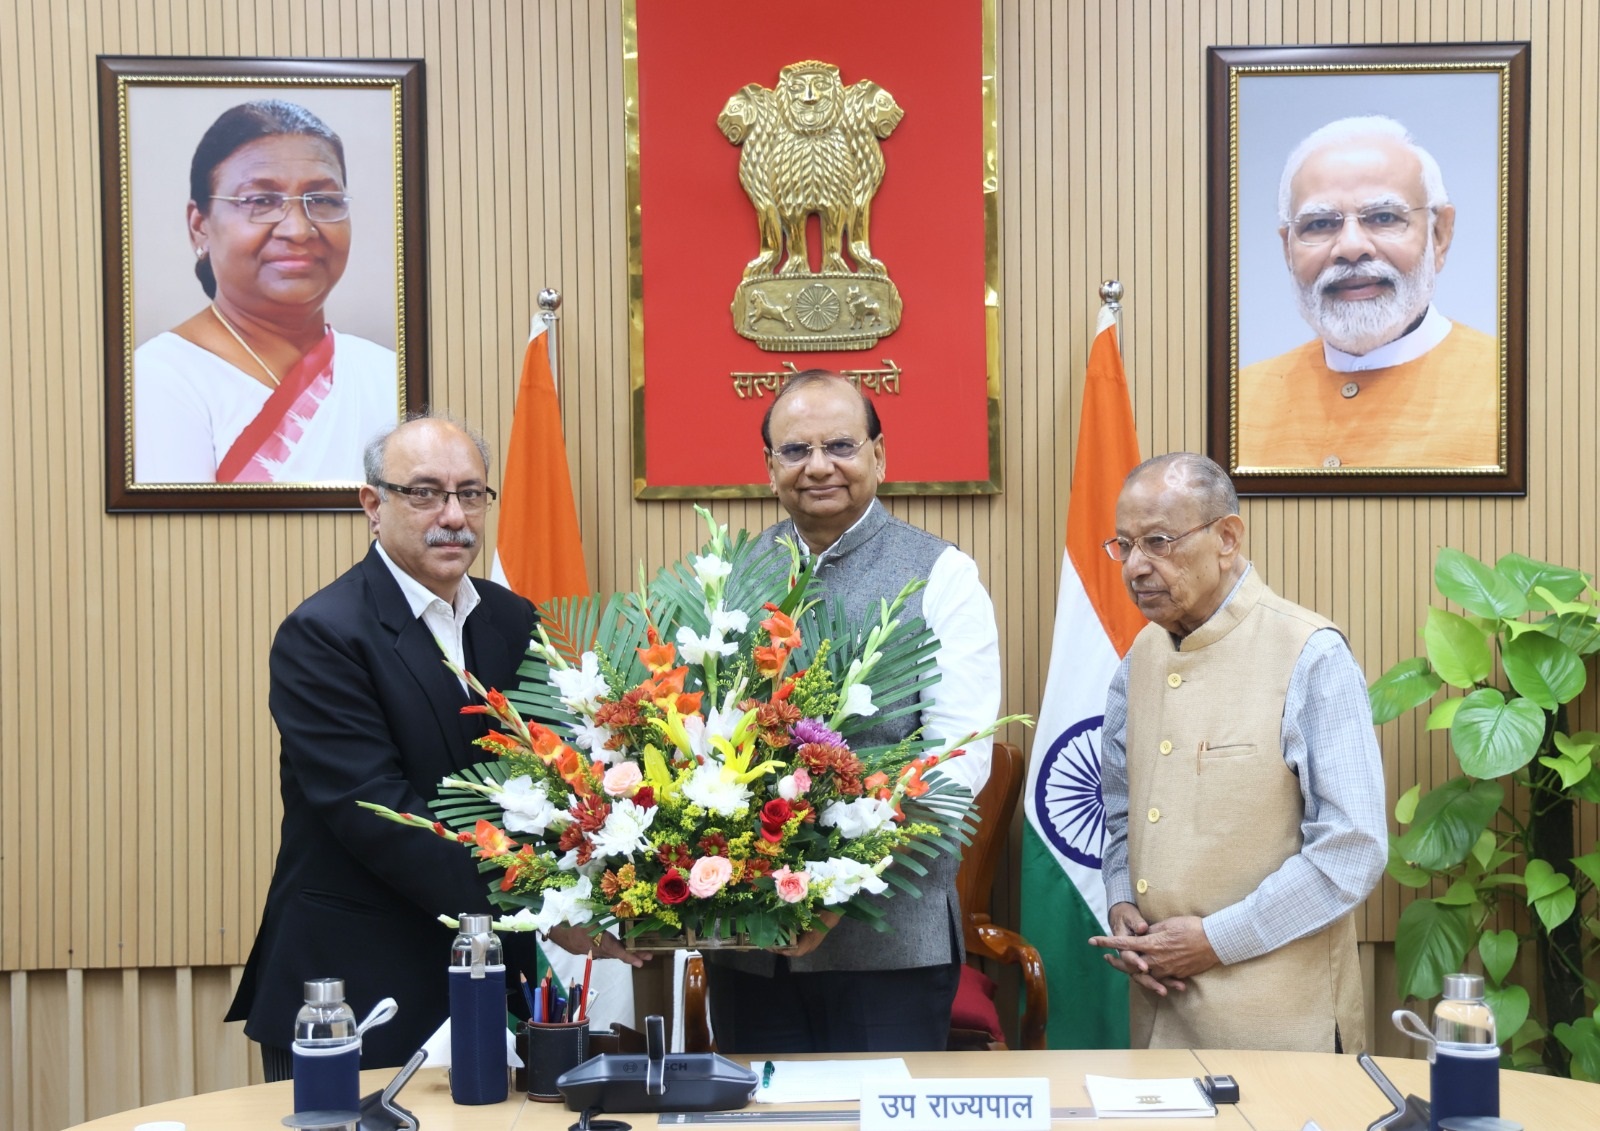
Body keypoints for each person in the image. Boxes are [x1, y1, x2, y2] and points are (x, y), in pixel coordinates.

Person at [226, 414, 641, 1075]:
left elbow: (554, 776)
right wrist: (540, 903)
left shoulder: (515, 620)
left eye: (471, 493)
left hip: (493, 975)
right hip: (358, 988)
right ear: (373, 503)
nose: (454, 515)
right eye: (425, 492)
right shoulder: (323, 635)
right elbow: (379, 811)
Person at [702, 371, 1002, 1053]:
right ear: (768, 465)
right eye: (795, 450)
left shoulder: (943, 575)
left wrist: (838, 889)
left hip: (889, 945)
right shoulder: (731, 577)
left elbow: (957, 761)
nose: (818, 467)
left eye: (840, 444)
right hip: (752, 946)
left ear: (879, 454)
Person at [1087, 453, 1386, 1053]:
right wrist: (1122, 900)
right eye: (1123, 546)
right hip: (1157, 1014)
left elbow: (1353, 848)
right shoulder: (1140, 657)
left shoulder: (1309, 652)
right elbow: (1119, 806)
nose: (1136, 567)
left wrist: (1217, 939)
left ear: (1226, 537)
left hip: (1278, 1023)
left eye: (1159, 542)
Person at [133, 100, 398, 484]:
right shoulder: (160, 380)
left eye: (322, 200)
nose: (297, 229)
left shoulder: (387, 376)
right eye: (260, 201)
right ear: (199, 225)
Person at [1237, 115, 1500, 470]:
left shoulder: (1513, 392)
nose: (1351, 247)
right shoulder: (1239, 402)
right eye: (1319, 224)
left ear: (1440, 235)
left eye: (1384, 217)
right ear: (1288, 249)